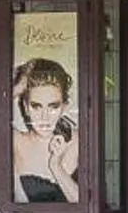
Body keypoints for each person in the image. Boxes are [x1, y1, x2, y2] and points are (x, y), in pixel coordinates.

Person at [11, 57, 79, 204]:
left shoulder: (79, 141)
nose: (44, 116)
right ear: (25, 107)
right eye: (36, 106)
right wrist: (18, 88)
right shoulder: (15, 141)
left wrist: (56, 166)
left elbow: (91, 204)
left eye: (53, 106)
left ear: (64, 106)